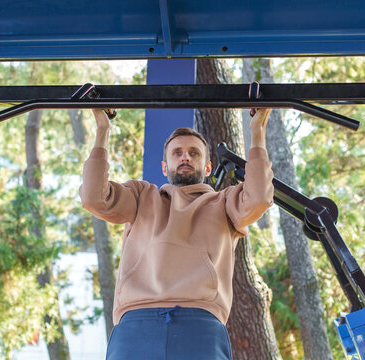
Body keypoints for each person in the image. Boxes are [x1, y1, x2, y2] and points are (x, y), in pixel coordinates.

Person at [79, 108, 274, 360]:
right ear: (164, 166)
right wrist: (103, 130)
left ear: (207, 166)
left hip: (199, 323)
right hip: (137, 321)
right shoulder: (141, 196)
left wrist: (257, 132)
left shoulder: (225, 202)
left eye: (194, 153)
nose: (185, 158)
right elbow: (94, 198)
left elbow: (259, 198)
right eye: (177, 153)